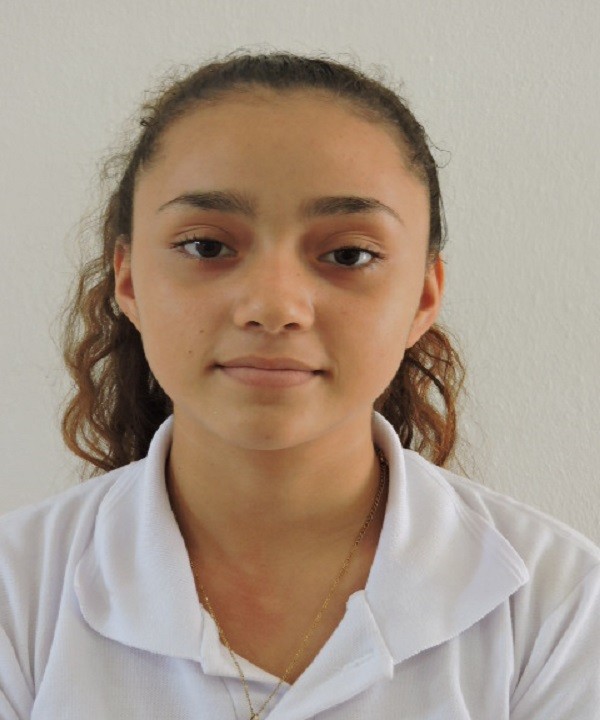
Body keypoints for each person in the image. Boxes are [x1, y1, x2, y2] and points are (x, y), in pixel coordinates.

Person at [0, 51, 598, 720]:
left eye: (348, 254)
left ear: (424, 297)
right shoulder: (17, 594)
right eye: (206, 246)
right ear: (130, 278)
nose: (274, 305)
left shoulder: (562, 605)